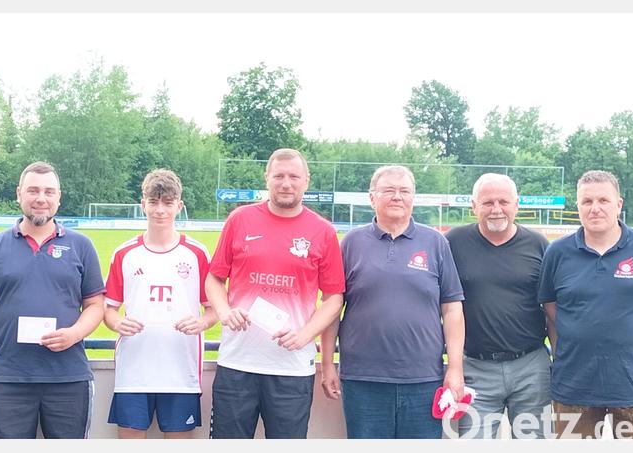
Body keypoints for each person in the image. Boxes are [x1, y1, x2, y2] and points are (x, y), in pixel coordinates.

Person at [205, 148, 345, 439]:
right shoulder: (239, 219)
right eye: (278, 176)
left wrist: (306, 334)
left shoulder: (323, 231)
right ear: (266, 178)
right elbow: (214, 279)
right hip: (237, 362)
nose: (286, 183)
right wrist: (225, 311)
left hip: (292, 368)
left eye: (294, 176)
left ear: (306, 180)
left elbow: (334, 298)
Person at [0, 161, 106, 439]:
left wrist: (74, 334)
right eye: (33, 191)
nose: (41, 199)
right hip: (9, 379)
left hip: (69, 378)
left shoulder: (81, 246)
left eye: (49, 192)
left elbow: (95, 305)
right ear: (19, 194)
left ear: (59, 197)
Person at [321, 165, 465, 439]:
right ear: (372, 197)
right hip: (363, 379)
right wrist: (328, 364)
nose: (397, 197)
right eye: (388, 190)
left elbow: (452, 308)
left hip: (423, 378)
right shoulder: (351, 243)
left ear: (413, 197)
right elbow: (332, 307)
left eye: (404, 191)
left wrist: (455, 368)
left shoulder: (435, 242)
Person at [103, 169, 216, 439]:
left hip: (181, 371)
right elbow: (109, 309)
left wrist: (201, 321)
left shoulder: (197, 254)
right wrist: (118, 322)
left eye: (168, 203)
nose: (160, 210)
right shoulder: (124, 253)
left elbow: (213, 310)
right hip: (134, 372)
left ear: (179, 206)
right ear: (142, 204)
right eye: (153, 202)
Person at [539, 170, 633, 439]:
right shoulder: (558, 252)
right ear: (577, 205)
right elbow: (551, 309)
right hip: (575, 384)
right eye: (587, 202)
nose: (595, 208)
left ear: (619, 204)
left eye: (603, 200)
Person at [445, 173, 551, 439]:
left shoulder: (538, 245)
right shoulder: (453, 242)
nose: (496, 209)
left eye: (503, 201)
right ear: (473, 206)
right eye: (487, 202)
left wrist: (559, 358)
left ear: (516, 205)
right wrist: (454, 365)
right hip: (476, 368)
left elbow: (553, 309)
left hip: (530, 366)